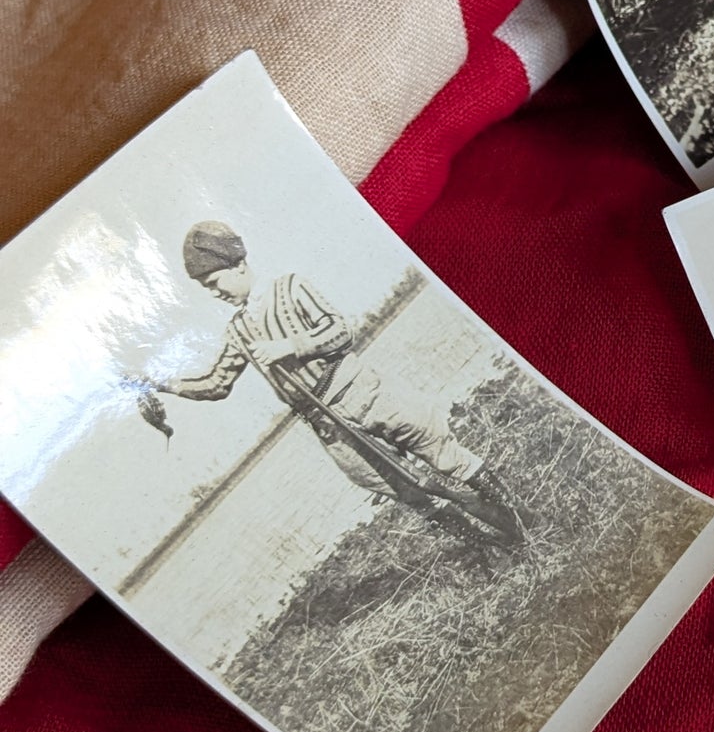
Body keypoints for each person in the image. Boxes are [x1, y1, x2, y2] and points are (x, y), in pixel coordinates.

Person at [152, 220, 512, 530]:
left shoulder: (290, 288)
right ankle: (488, 545)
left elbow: (342, 332)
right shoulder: (237, 332)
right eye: (206, 289)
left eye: (215, 282)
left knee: (440, 450)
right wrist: (161, 383)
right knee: (407, 490)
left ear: (239, 265)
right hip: (329, 427)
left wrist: (289, 346)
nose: (214, 293)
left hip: (365, 395)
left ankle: (520, 518)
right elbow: (216, 384)